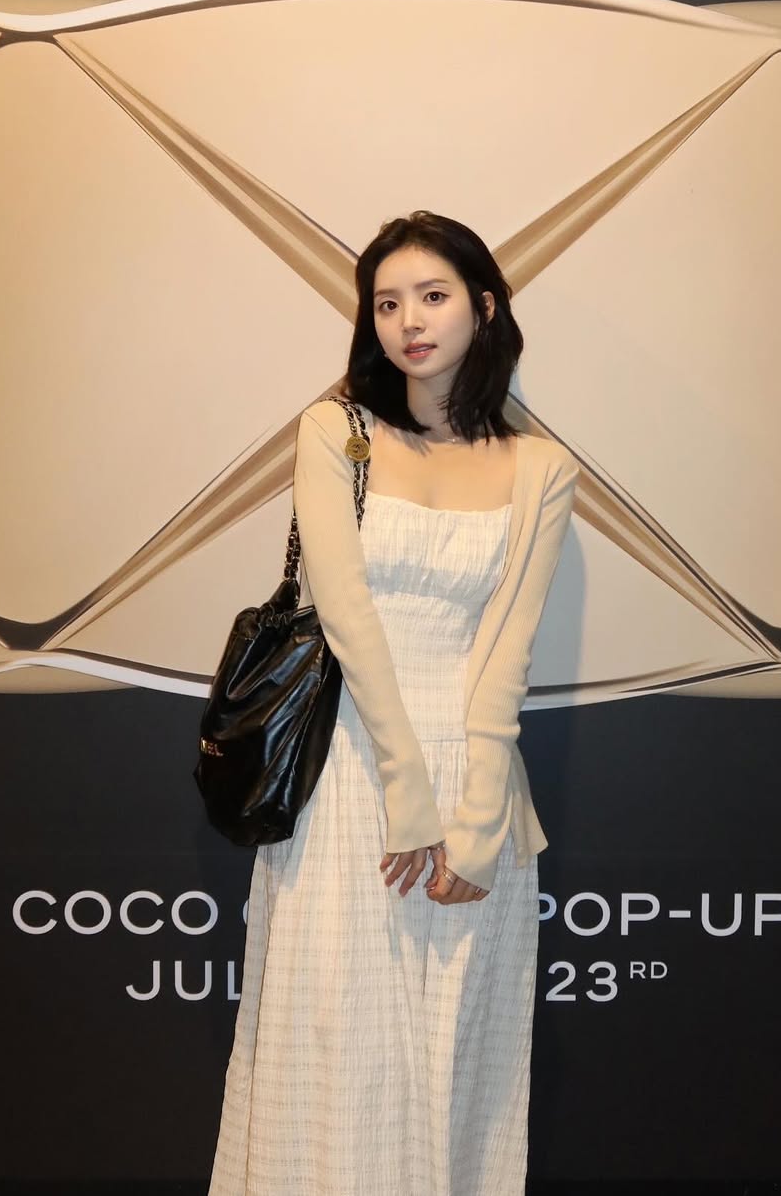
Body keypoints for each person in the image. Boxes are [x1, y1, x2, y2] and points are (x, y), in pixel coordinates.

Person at [208, 211, 579, 1196]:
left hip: (475, 790)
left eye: (433, 295)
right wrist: (405, 788)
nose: (409, 320)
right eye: (386, 303)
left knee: (458, 1066)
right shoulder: (338, 432)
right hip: (348, 779)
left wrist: (477, 823)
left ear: (483, 306)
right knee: (335, 1056)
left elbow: (505, 657)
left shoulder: (543, 468)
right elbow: (345, 615)